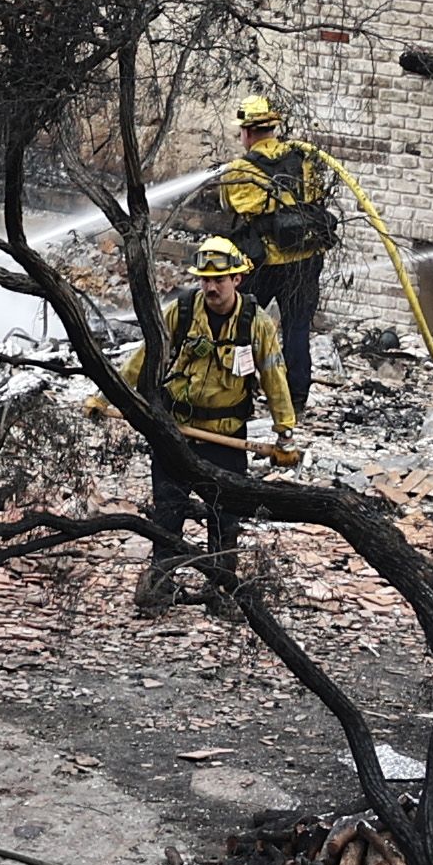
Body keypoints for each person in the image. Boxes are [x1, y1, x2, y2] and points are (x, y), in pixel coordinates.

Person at [136, 233, 303, 613]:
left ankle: (221, 589)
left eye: (219, 280)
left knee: (225, 516)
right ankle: (160, 586)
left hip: (227, 438)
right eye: (205, 280)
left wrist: (285, 434)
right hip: (176, 433)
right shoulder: (180, 313)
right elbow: (146, 355)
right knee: (168, 509)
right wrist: (106, 395)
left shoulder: (256, 325)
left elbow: (275, 378)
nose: (211, 287)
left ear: (237, 280)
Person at [212, 91, 360, 414]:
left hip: (264, 263)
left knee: (243, 325)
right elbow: (318, 195)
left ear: (248, 133)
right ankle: (296, 400)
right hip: (305, 261)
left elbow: (229, 206)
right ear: (273, 128)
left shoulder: (240, 170)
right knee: (296, 329)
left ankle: (239, 391)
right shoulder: (304, 159)